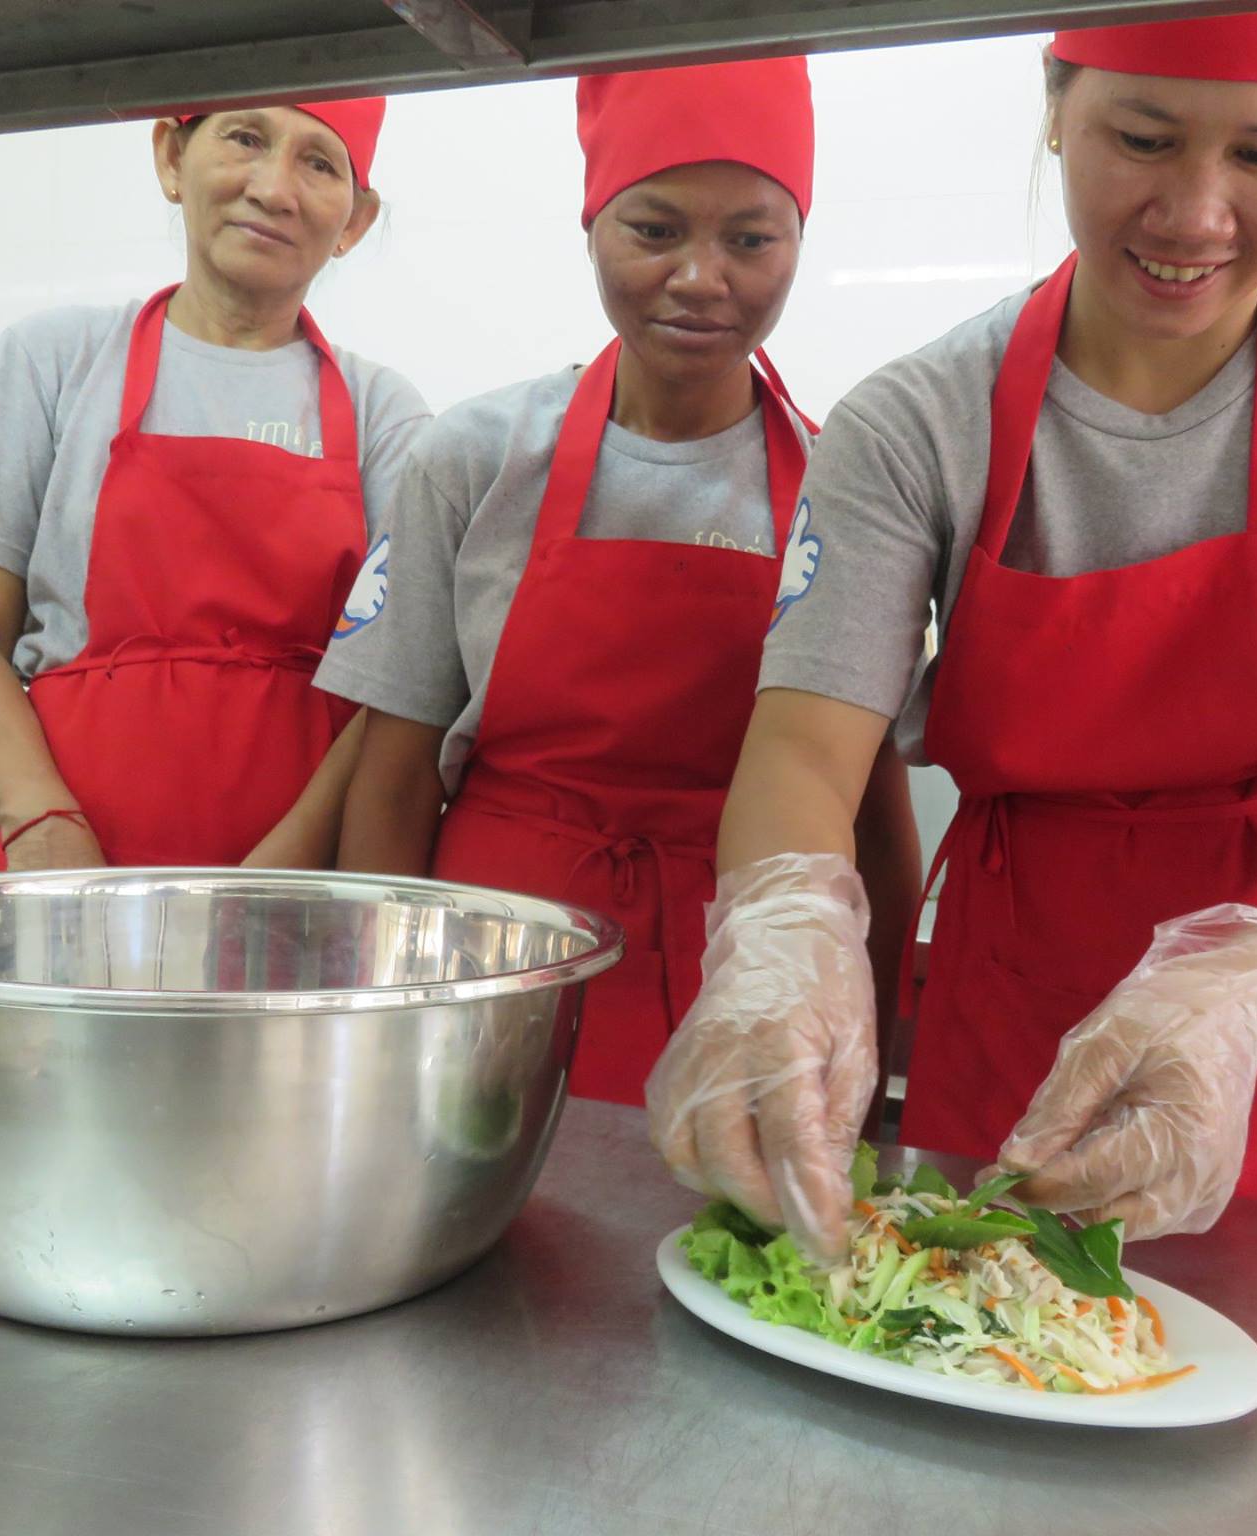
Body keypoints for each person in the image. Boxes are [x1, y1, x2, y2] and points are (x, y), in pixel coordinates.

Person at [648, 2, 1257, 1260]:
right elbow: (800, 751)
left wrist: (1236, 995)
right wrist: (785, 942)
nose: (1193, 213)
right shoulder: (913, 421)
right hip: (1008, 1015)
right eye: (1142, 136)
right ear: (1056, 103)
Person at [322, 59, 921, 1106]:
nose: (700, 277)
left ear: (796, 245)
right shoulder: (474, 457)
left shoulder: (847, 487)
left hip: (738, 978)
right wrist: (389, 1013)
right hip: (492, 963)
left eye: (750, 237)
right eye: (653, 230)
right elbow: (394, 773)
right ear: (591, 226)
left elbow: (871, 811)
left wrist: (865, 1046)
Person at [0, 98, 427, 871]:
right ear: (171, 159)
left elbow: (395, 693)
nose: (275, 188)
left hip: (295, 896)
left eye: (319, 162)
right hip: (68, 877)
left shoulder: (385, 415)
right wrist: (41, 820)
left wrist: (279, 878)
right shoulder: (55, 361)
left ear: (355, 220)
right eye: (246, 137)